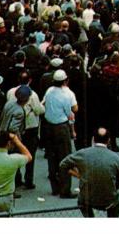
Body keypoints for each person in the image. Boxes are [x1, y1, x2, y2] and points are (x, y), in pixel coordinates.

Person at [59, 127, 119, 217]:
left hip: (87, 198)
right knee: (116, 204)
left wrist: (77, 174)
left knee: (82, 202)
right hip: (109, 199)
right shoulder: (115, 158)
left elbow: (63, 164)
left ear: (93, 139)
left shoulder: (82, 154)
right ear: (108, 141)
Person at [42, 69, 78, 198]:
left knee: (52, 157)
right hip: (61, 127)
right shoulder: (68, 94)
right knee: (65, 158)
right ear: (65, 80)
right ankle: (65, 189)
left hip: (48, 126)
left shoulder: (49, 91)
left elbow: (43, 103)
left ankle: (55, 187)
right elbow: (74, 109)